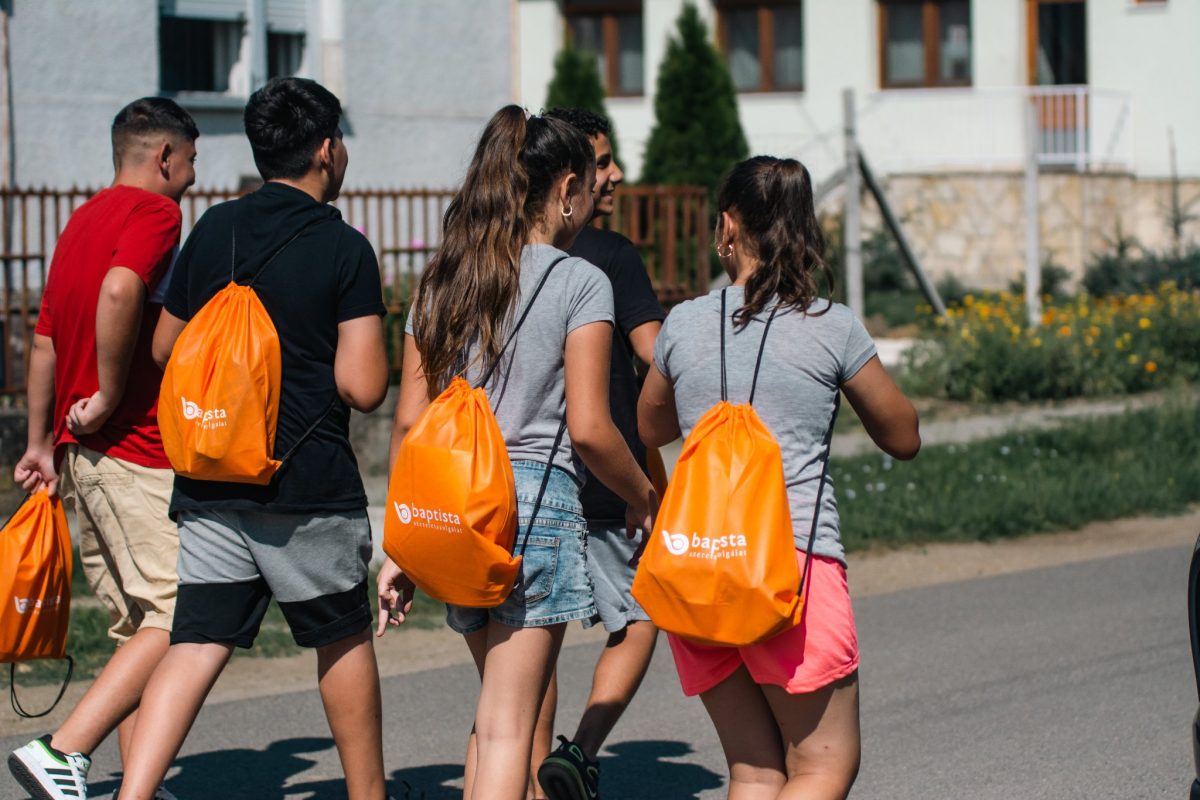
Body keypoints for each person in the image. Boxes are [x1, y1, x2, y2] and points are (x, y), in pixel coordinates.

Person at [114, 77, 391, 800]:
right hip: (305, 483)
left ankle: (132, 793)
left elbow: (165, 347)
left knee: (196, 642)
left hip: (210, 475)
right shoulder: (344, 248)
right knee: (340, 637)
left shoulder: (213, 230)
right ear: (326, 150)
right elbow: (364, 387)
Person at [375, 106, 657, 800]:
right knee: (509, 728)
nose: (592, 199)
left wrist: (401, 544)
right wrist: (642, 494)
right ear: (567, 189)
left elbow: (409, 422)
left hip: (450, 513)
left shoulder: (441, 281)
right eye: (588, 185)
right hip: (533, 510)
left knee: (492, 717)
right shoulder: (579, 282)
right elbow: (590, 429)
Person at [638, 156, 921, 800]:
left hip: (697, 568)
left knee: (754, 770)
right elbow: (903, 438)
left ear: (727, 227)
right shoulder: (832, 326)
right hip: (790, 570)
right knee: (821, 768)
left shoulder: (684, 322)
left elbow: (649, 427)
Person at [7, 97, 198, 800]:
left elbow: (46, 339)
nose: (193, 178)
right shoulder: (155, 213)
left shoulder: (83, 218)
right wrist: (112, 394)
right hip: (133, 450)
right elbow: (121, 290)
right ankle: (62, 752)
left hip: (83, 457)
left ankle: (138, 787)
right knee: (181, 612)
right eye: (191, 162)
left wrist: (40, 443)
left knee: (135, 625)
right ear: (164, 157)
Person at [533, 107, 664, 800]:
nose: (613, 175)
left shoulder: (499, 257)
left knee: (532, 645)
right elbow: (654, 354)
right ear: (570, 177)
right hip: (604, 477)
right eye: (602, 163)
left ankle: (522, 777)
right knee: (641, 613)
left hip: (520, 483)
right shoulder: (609, 257)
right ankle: (579, 750)